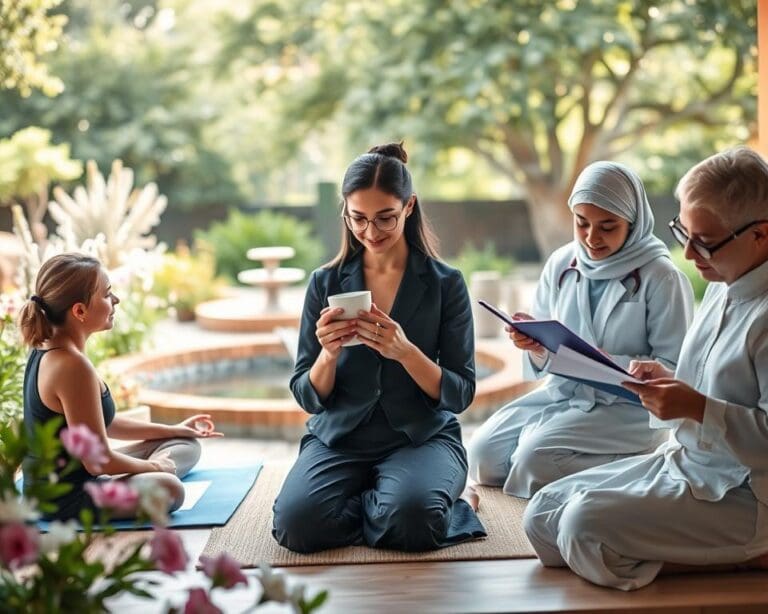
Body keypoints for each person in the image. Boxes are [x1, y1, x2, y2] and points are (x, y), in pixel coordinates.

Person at [522, 147, 768, 590]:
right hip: (686, 460)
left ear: (761, 236)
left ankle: (749, 554)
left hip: (746, 490)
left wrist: (695, 405)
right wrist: (668, 380)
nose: (690, 254)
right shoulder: (723, 283)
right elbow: (710, 385)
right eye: (683, 233)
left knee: (581, 527)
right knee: (542, 515)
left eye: (705, 241)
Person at [272, 142, 486, 553]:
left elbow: (460, 393)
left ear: (409, 207)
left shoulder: (446, 284)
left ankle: (448, 499)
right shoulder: (325, 283)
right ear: (345, 214)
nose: (371, 233)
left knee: (413, 522)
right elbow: (305, 393)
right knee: (296, 527)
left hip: (419, 436)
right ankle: (391, 499)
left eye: (385, 218)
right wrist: (328, 354)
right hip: (341, 437)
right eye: (359, 219)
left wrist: (405, 352)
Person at [468, 161, 694, 498]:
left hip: (630, 409)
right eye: (581, 223)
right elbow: (547, 344)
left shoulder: (662, 277)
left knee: (533, 462)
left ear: (632, 224)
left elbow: (677, 369)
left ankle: (645, 462)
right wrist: (534, 345)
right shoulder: (562, 263)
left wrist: (610, 361)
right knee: (483, 457)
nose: (591, 237)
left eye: (608, 226)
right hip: (566, 392)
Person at [18, 253, 222, 521]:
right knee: (170, 489)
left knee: (185, 443)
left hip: (83, 473)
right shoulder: (70, 367)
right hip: (63, 497)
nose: (116, 300)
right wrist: (153, 466)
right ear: (79, 311)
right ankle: (148, 475)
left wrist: (172, 429)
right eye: (107, 294)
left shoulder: (54, 350)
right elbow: (98, 461)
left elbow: (103, 423)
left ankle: (145, 472)